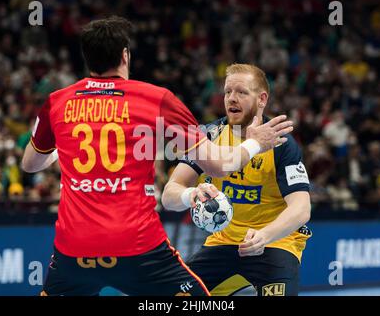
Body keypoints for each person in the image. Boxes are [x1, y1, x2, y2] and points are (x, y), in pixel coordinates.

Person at [20, 17, 294, 296]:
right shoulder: (157, 99)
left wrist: (60, 149)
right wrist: (254, 143)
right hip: (138, 248)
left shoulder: (57, 101)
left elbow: (30, 163)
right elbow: (221, 166)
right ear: (125, 55)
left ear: (86, 57)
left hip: (73, 249)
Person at [162, 64, 311, 296]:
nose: (232, 98)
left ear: (262, 99)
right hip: (223, 243)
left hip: (274, 244)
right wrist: (189, 194)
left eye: (241, 92)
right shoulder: (209, 136)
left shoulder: (281, 143)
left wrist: (265, 235)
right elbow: (168, 195)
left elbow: (301, 209)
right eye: (227, 92)